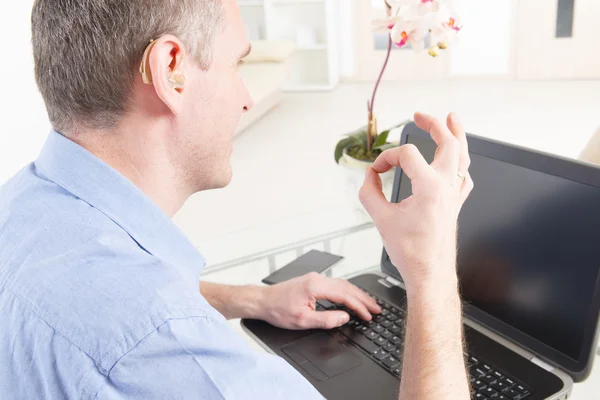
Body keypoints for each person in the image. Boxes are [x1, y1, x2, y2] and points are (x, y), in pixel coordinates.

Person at [0, 1, 473, 399]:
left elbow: (99, 301)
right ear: (171, 69)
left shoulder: (24, 205)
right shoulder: (168, 345)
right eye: (237, 65)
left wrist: (256, 300)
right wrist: (429, 266)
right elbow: (143, 326)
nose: (246, 98)